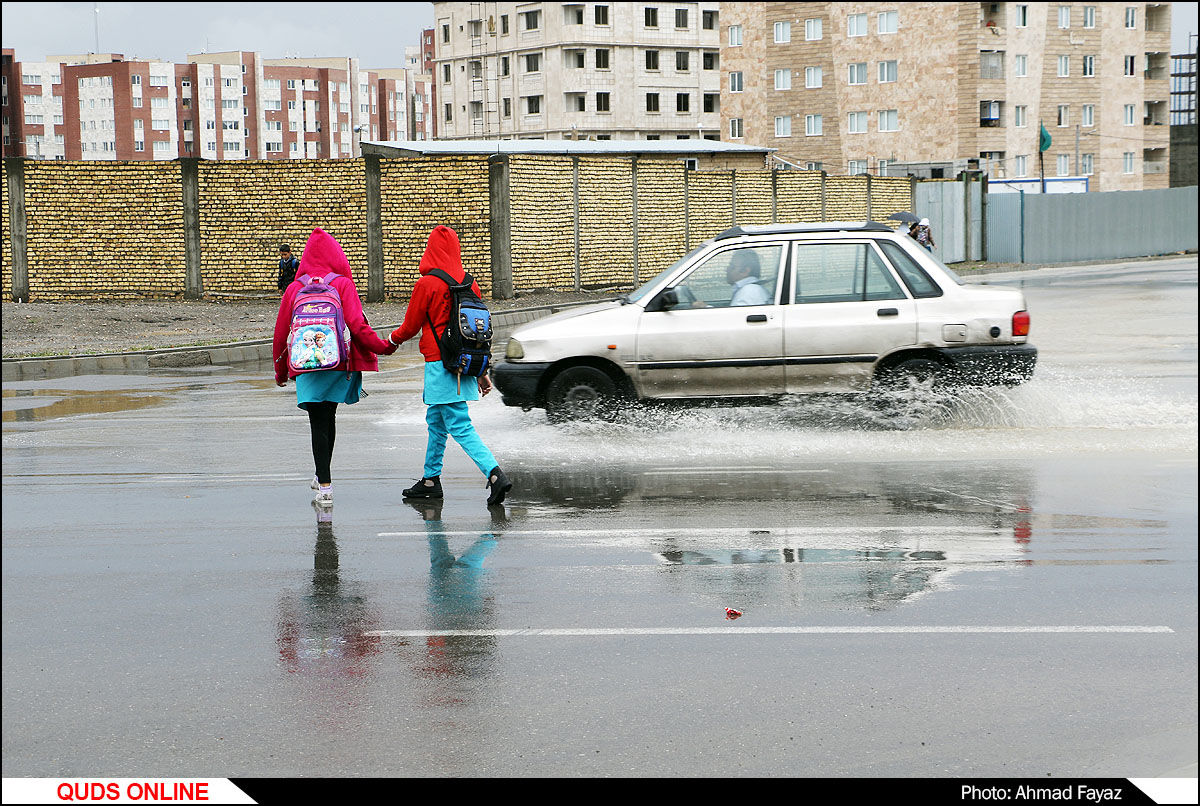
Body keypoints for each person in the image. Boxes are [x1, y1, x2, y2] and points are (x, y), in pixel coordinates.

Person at [387, 225, 511, 507]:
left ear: (430, 250)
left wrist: (391, 341)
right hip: (465, 363)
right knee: (437, 421)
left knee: (459, 423)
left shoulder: (427, 284)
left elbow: (410, 326)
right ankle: (430, 480)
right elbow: (477, 331)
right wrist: (481, 372)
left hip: (440, 363)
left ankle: (494, 474)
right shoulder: (470, 283)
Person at [273, 227, 397, 505]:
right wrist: (383, 346)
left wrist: (280, 371)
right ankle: (322, 478)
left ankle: (324, 485)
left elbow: (281, 333)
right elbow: (357, 325)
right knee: (329, 417)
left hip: (305, 365)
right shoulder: (342, 284)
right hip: (337, 361)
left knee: (317, 421)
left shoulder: (295, 288)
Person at [691, 249, 771, 308]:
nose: (727, 270)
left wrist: (705, 308)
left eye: (732, 266)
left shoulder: (749, 292)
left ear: (745, 271)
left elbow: (734, 321)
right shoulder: (751, 289)